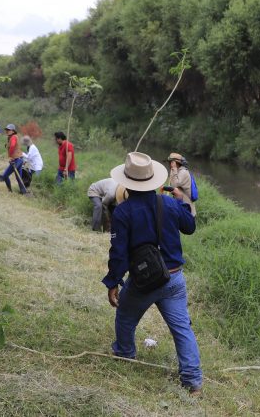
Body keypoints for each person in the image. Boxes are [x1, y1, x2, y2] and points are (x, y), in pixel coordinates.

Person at [103, 152, 203, 396]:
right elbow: (190, 227)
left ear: (126, 182)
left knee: (125, 317)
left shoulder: (123, 212)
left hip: (142, 281)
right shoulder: (169, 203)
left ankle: (125, 354)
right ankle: (193, 382)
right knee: (182, 329)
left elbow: (119, 254)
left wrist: (113, 282)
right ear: (153, 180)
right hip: (174, 278)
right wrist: (183, 201)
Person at [166, 152, 196, 217]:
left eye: (170, 162)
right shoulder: (177, 171)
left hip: (187, 211)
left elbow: (174, 185)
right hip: (181, 208)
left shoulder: (183, 172)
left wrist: (174, 169)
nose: (169, 164)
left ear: (174, 163)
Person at [0, 124, 27, 194]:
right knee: (19, 178)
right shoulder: (11, 137)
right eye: (7, 130)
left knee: (5, 176)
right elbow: (10, 145)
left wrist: (11, 157)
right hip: (20, 159)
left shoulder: (13, 137)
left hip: (16, 160)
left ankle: (10, 191)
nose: (7, 131)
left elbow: (12, 146)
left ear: (13, 131)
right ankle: (23, 192)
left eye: (9, 130)